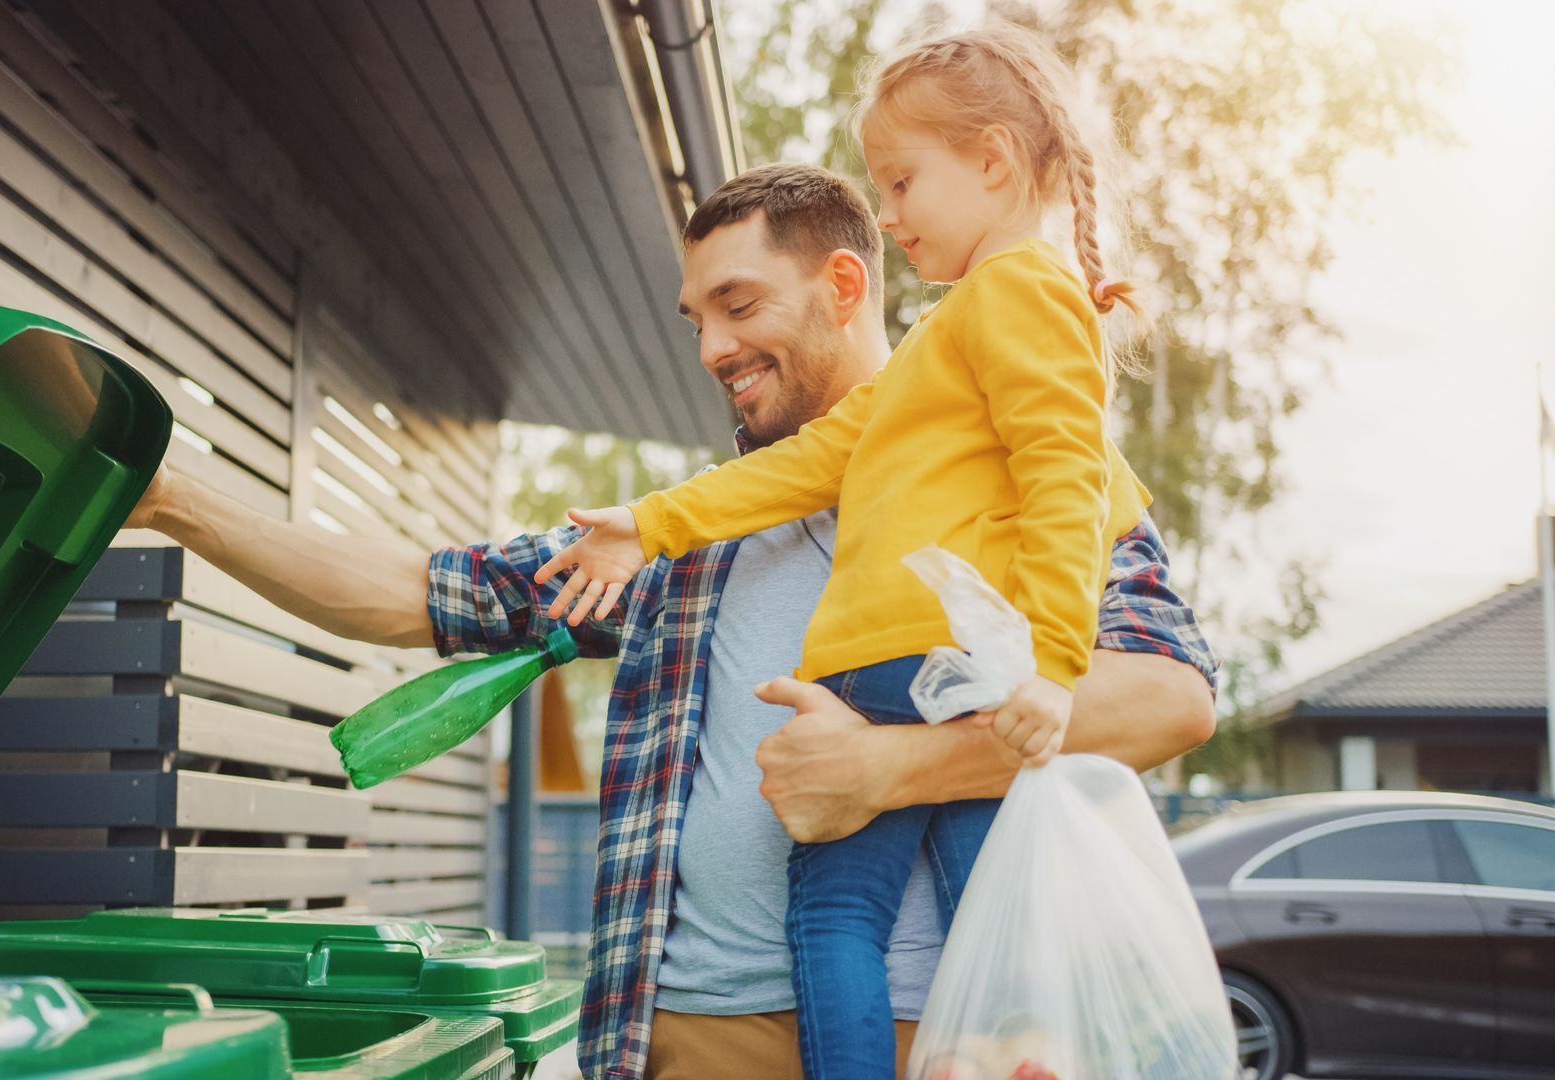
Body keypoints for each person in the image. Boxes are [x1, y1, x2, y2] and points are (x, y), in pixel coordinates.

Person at [123, 165, 1217, 1080]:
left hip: (936, 1039)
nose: (710, 350)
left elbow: (1169, 699)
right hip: (685, 1035)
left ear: (845, 285)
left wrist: (890, 768)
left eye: (740, 306)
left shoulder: (1029, 466)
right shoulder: (681, 540)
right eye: (696, 320)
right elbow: (420, 593)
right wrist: (176, 502)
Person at [532, 25, 1155, 1078]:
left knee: (835, 917)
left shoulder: (1017, 293)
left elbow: (1068, 481)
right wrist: (653, 523)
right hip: (925, 670)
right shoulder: (949, 337)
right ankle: (1013, 1047)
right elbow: (813, 461)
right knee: (982, 896)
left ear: (995, 162)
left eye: (904, 183)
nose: (893, 214)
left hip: (908, 666)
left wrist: (1053, 662)